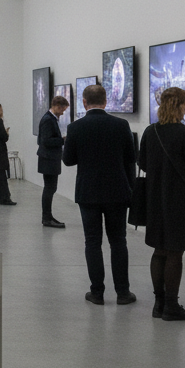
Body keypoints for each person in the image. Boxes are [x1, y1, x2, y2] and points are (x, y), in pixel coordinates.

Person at [138, 87, 185, 321]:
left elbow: (143, 163)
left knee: (159, 250)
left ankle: (158, 304)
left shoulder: (150, 131)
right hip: (179, 200)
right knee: (174, 252)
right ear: (178, 105)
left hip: (155, 198)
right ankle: (171, 306)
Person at [62, 84, 136, 305]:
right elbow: (131, 158)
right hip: (117, 191)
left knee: (92, 242)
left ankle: (97, 292)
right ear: (106, 101)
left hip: (88, 192)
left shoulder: (75, 127)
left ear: (84, 102)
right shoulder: (121, 125)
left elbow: (68, 160)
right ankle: (123, 293)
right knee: (118, 241)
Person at [37, 94, 69, 228]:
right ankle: (46, 217)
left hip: (50, 158)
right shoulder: (48, 120)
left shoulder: (50, 119)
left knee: (51, 188)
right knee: (50, 188)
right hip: (48, 159)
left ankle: (48, 216)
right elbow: (45, 141)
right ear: (56, 106)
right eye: (62, 110)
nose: (62, 113)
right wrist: (63, 140)